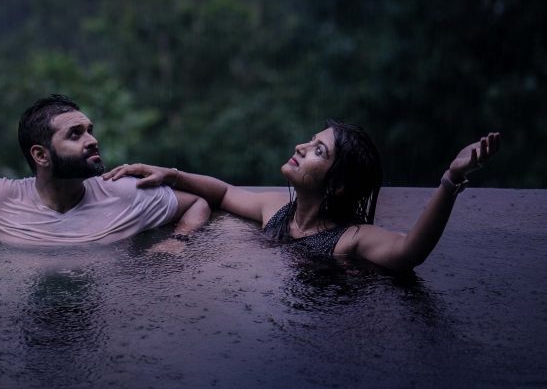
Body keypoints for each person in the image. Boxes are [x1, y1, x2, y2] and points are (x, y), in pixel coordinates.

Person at [103, 120, 501, 272]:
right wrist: (170, 174)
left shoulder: (352, 239)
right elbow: (223, 192)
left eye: (317, 151)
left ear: (338, 184)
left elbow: (410, 252)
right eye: (310, 142)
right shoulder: (276, 210)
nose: (300, 147)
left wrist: (449, 181)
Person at [0, 94, 210, 246]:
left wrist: (178, 241)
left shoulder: (124, 193)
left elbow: (197, 202)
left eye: (90, 130)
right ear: (41, 155)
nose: (93, 140)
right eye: (75, 134)